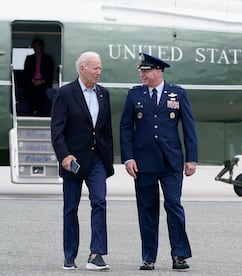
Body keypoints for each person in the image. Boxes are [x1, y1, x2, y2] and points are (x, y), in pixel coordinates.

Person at [119, 53, 198, 271]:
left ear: (158, 72)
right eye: (141, 71)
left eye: (145, 71)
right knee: (147, 209)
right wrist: (128, 157)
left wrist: (191, 158)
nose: (141, 74)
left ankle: (179, 254)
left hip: (171, 161)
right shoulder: (134, 94)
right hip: (144, 162)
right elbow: (125, 127)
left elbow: (189, 127)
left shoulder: (178, 93)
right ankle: (148, 257)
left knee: (173, 205)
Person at [51, 51, 114, 271]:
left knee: (100, 202)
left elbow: (106, 131)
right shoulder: (65, 93)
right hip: (73, 159)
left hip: (97, 159)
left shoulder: (104, 94)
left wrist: (108, 161)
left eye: (100, 68)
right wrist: (64, 155)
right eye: (95, 68)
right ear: (82, 69)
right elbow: (56, 131)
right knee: (71, 208)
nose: (99, 72)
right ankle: (70, 255)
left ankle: (96, 254)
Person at [23, 38, 54, 115]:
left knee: (43, 95)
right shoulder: (29, 58)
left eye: (37, 46)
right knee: (29, 93)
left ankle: (41, 112)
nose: (36, 48)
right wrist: (32, 80)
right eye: (34, 46)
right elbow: (26, 72)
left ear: (42, 47)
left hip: (43, 82)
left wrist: (42, 81)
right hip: (32, 82)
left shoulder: (48, 58)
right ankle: (32, 111)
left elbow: (50, 72)